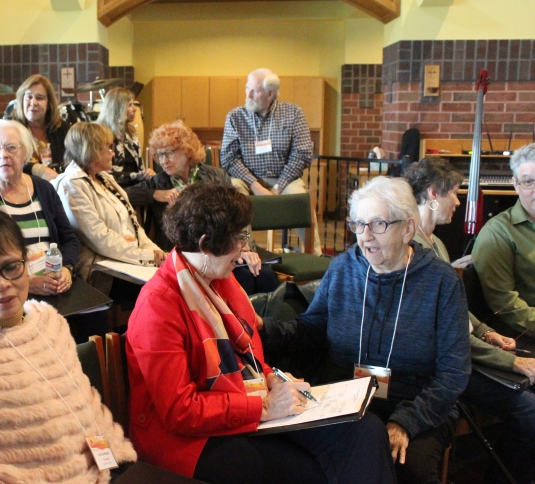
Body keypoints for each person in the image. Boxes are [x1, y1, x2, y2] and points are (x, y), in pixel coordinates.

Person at [127, 183, 396, 484]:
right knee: (305, 471)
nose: (244, 247)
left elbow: (250, 361)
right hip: (184, 438)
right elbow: (179, 411)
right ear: (205, 244)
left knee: (364, 430)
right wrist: (265, 406)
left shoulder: (220, 280)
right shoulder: (158, 305)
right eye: (238, 238)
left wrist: (274, 378)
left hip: (241, 405)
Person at [261, 176, 471, 484]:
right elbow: (310, 332)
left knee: (410, 468)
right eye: (358, 224)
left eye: (378, 224)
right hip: (342, 397)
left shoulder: (441, 282)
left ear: (408, 229)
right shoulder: (343, 268)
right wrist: (261, 328)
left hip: (416, 404)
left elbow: (453, 373)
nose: (365, 236)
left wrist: (405, 423)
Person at [0, 207, 136, 482]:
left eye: (11, 267)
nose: (1, 284)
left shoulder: (49, 322)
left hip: (99, 470)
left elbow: (83, 407)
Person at [405, 157, 535, 484]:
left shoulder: (434, 243)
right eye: (455, 192)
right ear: (434, 193)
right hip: (443, 366)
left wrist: (489, 333)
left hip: (465, 353)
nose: (459, 201)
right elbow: (446, 335)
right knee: (529, 410)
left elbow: (458, 307)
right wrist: (508, 361)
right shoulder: (414, 252)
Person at [127, 120, 280, 294]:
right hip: (189, 254)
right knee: (243, 278)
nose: (163, 161)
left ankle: (262, 321)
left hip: (225, 246)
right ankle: (242, 320)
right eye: (159, 155)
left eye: (169, 153)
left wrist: (242, 246)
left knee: (265, 275)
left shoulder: (216, 176)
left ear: (187, 150)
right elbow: (125, 193)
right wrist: (155, 194)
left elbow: (239, 217)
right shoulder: (157, 183)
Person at [0, 119, 78, 299]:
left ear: (25, 153)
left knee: (95, 313)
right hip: (8, 291)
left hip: (54, 280)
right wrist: (25, 282)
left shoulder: (44, 189)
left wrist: (67, 269)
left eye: (11, 147)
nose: (3, 155)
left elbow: (69, 238)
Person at [52, 122, 165, 297]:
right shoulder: (71, 185)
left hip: (128, 260)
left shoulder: (104, 178)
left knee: (172, 280)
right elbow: (100, 239)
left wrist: (155, 252)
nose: (113, 153)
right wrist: (147, 255)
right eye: (109, 148)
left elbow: (134, 226)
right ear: (92, 150)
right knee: (161, 291)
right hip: (100, 269)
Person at [220, 68, 321, 255]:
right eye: (247, 88)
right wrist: (256, 186)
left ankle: (315, 256)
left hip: (284, 178)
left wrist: (278, 188)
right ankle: (244, 252)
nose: (248, 94)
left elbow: (302, 154)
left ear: (270, 93)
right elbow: (229, 157)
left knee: (300, 198)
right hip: (247, 179)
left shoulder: (293, 113)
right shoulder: (235, 116)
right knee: (234, 194)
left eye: (255, 91)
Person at [472, 143, 535, 339]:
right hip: (523, 340)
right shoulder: (499, 233)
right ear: (516, 185)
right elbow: (506, 305)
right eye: (528, 181)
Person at [6, 74, 69, 175]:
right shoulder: (9, 129)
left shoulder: (63, 129)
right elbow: (9, 161)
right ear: (21, 100)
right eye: (29, 97)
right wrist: (39, 170)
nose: (33, 102)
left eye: (40, 98)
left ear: (49, 104)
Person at [95, 88, 153, 189]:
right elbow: (105, 172)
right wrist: (139, 176)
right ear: (118, 108)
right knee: (156, 195)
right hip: (115, 188)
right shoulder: (102, 134)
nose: (135, 109)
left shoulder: (130, 132)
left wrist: (147, 173)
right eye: (130, 105)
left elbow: (140, 166)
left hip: (136, 186)